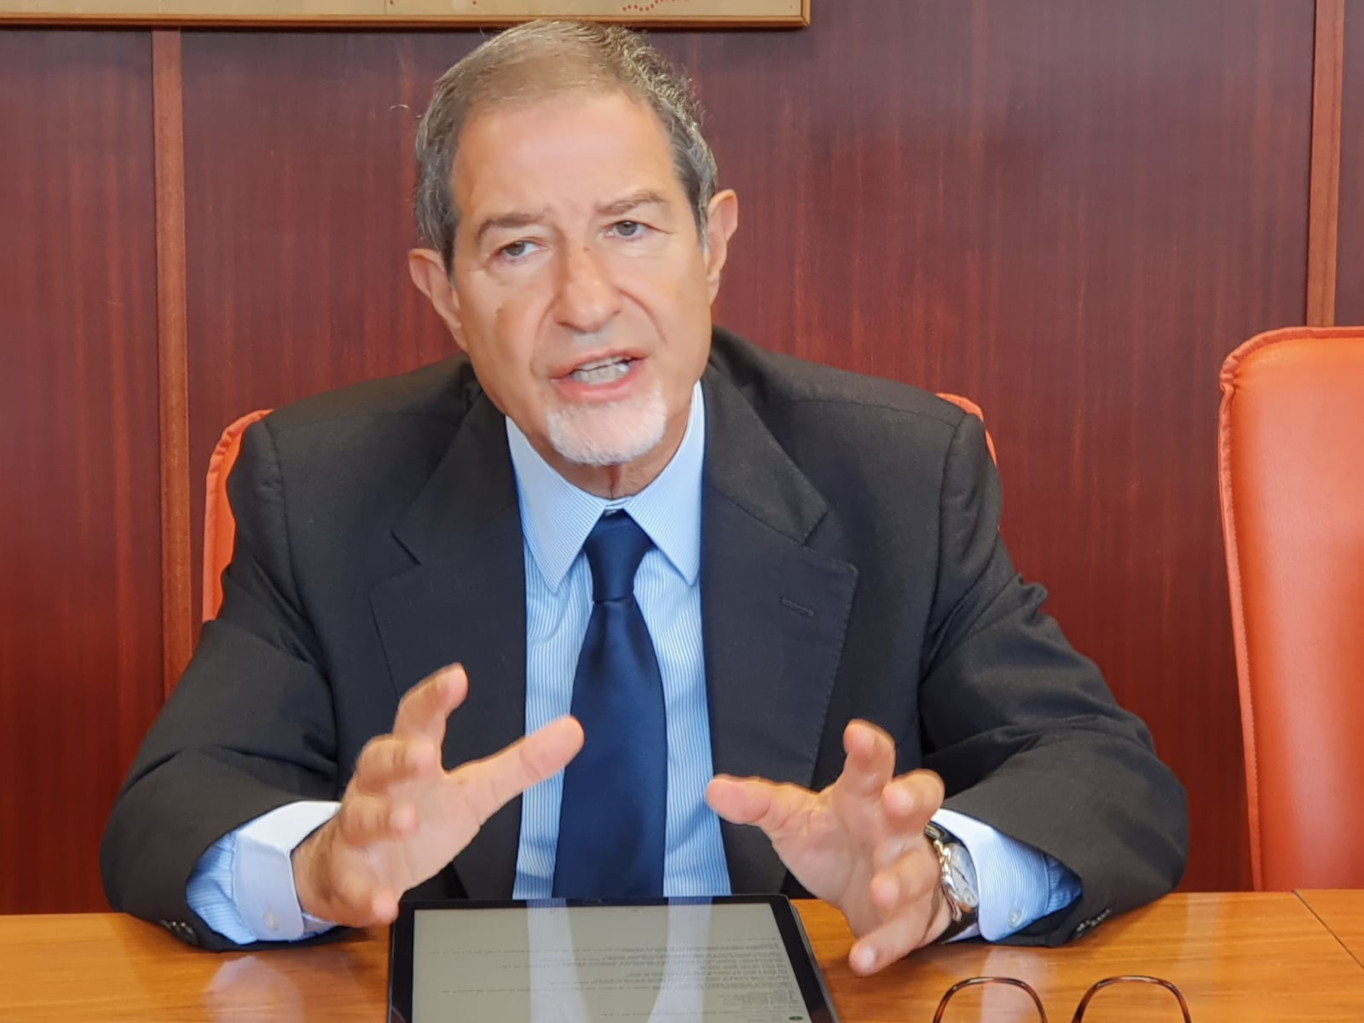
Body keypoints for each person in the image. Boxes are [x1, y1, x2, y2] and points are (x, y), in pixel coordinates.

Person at [100, 20, 1187, 974]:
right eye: (518, 247)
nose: (585, 302)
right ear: (446, 296)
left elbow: (1103, 775)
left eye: (629, 228)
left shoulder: (899, 476)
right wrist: (317, 866)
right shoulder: (321, 487)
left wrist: (937, 876)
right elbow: (171, 806)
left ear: (711, 245)